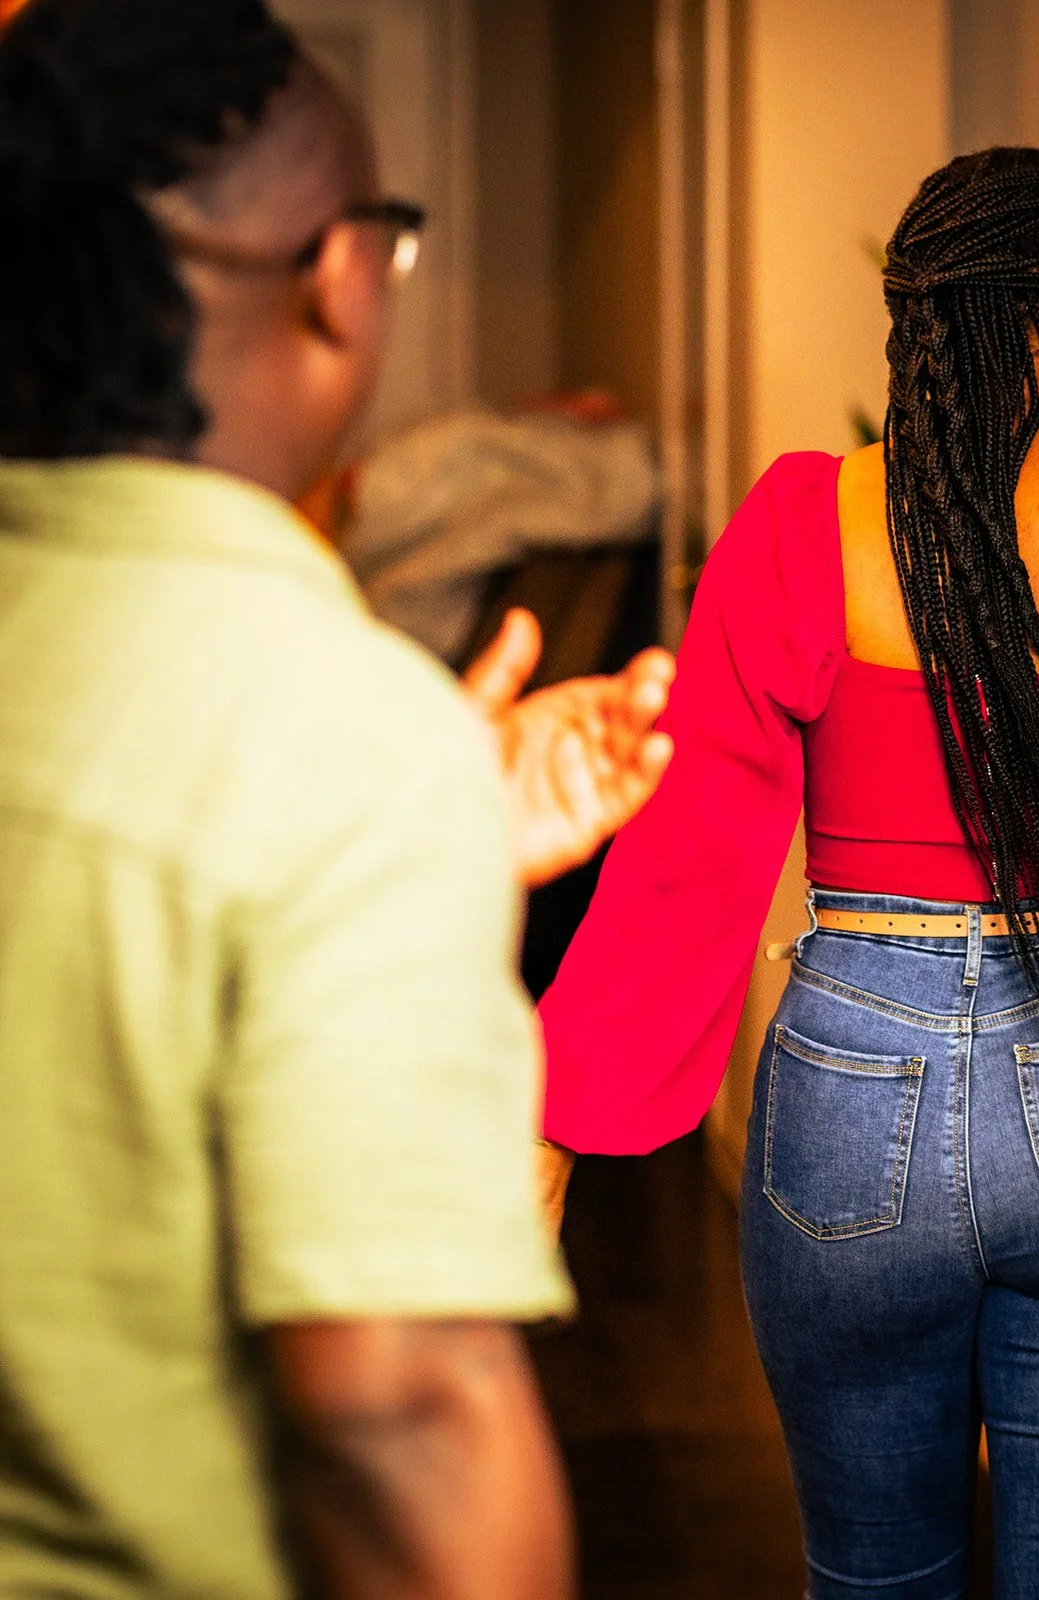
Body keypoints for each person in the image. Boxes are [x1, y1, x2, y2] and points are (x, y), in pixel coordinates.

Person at [538, 147, 1039, 1598]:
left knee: (873, 1579)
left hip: (860, 1106)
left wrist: (567, 1125)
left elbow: (692, 858)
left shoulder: (805, 520)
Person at [0, 2, 673, 1597]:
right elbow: (399, 1410)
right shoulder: (332, 737)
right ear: (336, 277)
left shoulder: (340, 750)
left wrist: (443, 834)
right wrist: (392, 804)